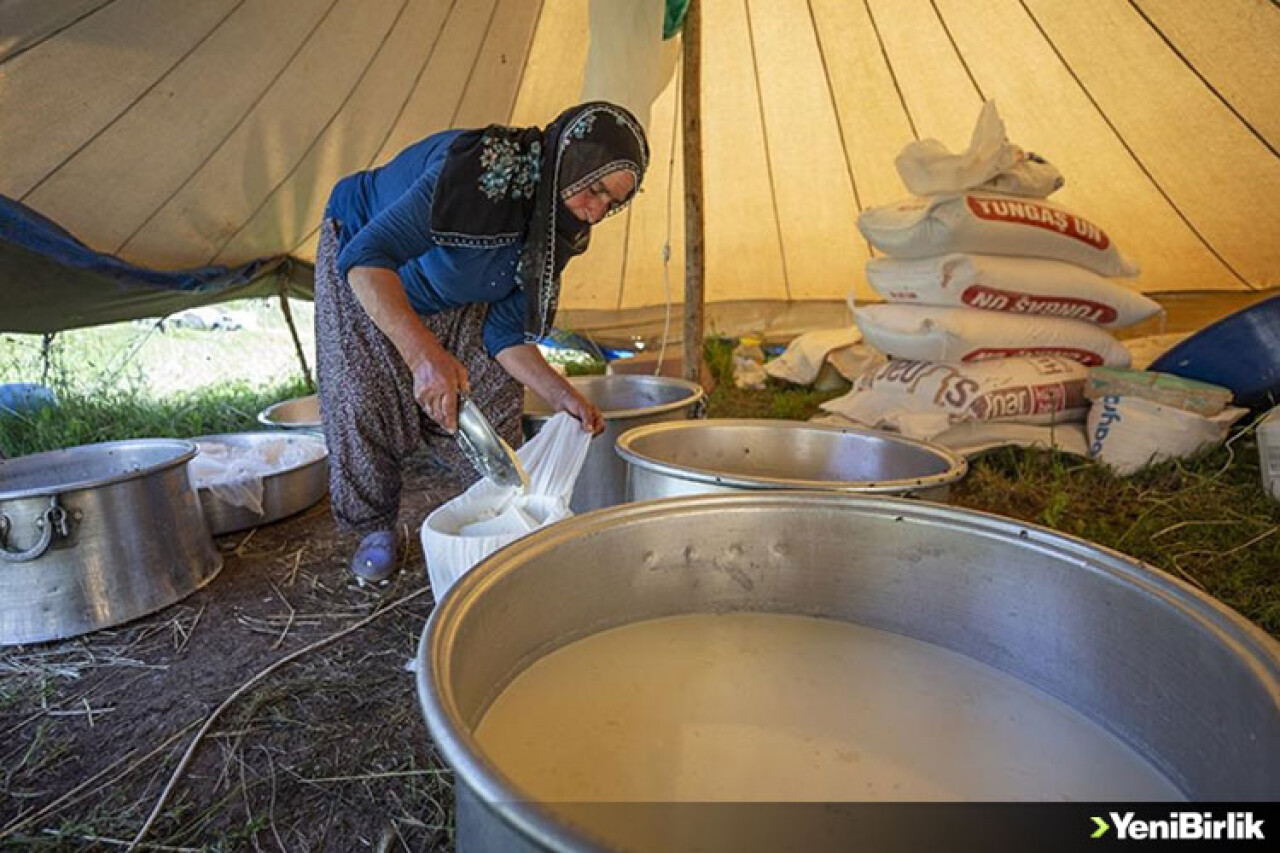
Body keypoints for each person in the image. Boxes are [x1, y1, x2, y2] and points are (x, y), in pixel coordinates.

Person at [315, 101, 649, 582]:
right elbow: (367, 259)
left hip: (458, 280)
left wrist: (561, 395)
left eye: (613, 202)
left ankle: (500, 517)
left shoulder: (564, 229)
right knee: (361, 393)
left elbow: (504, 332)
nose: (597, 211)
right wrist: (424, 355)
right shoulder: (483, 171)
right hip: (371, 263)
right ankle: (375, 528)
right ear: (571, 158)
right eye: (595, 188)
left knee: (490, 394)